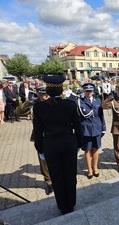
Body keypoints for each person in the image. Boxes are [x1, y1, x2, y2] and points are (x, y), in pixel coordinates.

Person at [33, 75, 82, 215]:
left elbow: (38, 131)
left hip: (50, 144)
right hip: (68, 143)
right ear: (61, 91)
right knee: (70, 175)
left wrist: (40, 148)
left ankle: (62, 206)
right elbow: (78, 127)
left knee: (56, 176)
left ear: (47, 91)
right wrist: (79, 143)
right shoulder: (70, 105)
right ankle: (71, 204)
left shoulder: (39, 108)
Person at [77, 83, 106, 179]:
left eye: (90, 91)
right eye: (87, 91)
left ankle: (95, 167)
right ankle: (89, 169)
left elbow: (101, 116)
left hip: (97, 128)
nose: (88, 93)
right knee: (87, 150)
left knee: (96, 148)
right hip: (86, 129)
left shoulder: (98, 101)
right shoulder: (80, 102)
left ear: (93, 91)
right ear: (84, 91)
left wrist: (103, 128)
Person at [30, 86, 53, 195]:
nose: (46, 96)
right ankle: (48, 182)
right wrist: (29, 102)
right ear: (39, 95)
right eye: (44, 94)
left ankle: (56, 180)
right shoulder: (35, 105)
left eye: (47, 94)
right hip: (40, 137)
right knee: (43, 162)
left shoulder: (52, 104)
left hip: (52, 135)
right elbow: (19, 111)